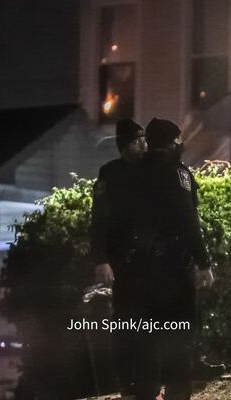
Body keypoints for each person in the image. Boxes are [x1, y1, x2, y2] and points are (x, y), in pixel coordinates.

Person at [125, 117, 214, 400]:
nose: (181, 143)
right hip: (173, 268)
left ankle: (146, 394)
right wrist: (204, 262)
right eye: (178, 138)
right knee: (179, 338)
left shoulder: (133, 173)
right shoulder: (178, 173)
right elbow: (187, 219)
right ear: (172, 142)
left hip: (139, 270)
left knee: (146, 340)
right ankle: (177, 394)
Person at [90, 118, 147, 396]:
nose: (143, 145)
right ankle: (127, 384)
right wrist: (101, 259)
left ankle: (147, 380)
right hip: (121, 260)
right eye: (137, 141)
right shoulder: (109, 173)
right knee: (125, 323)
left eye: (144, 140)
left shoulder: (152, 170)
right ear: (125, 146)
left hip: (150, 261)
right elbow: (98, 219)